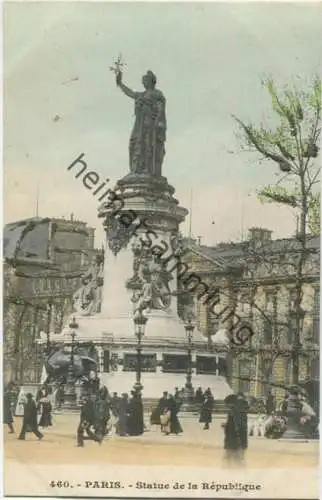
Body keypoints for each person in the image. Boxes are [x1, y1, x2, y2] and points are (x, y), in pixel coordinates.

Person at [223, 394, 248, 463]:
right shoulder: (236, 411)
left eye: (227, 404)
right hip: (233, 440)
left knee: (235, 461)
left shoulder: (236, 411)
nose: (226, 406)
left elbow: (239, 426)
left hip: (235, 441)